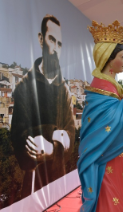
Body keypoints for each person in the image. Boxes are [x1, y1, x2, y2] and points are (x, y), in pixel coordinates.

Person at [11, 14, 75, 199]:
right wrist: (56, 134)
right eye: (51, 40)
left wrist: (50, 147)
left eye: (59, 44)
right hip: (33, 186)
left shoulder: (64, 90)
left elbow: (70, 135)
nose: (55, 48)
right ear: (41, 39)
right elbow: (20, 138)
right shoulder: (24, 87)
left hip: (59, 182)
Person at [77, 20, 123, 212]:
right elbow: (112, 118)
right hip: (107, 156)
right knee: (110, 196)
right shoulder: (102, 87)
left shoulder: (112, 86)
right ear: (108, 58)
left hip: (113, 153)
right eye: (122, 56)